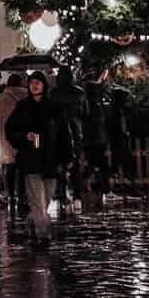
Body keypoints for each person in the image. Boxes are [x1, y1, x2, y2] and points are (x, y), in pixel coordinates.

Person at [6, 71, 73, 247]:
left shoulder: (54, 108)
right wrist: (23, 137)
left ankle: (33, 221)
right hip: (30, 160)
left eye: (38, 82)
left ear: (44, 85)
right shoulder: (22, 107)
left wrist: (67, 157)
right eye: (32, 82)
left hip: (50, 160)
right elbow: (10, 130)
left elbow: (64, 134)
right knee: (37, 198)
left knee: (46, 197)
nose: (35, 85)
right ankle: (43, 235)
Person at [51, 66, 88, 209]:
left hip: (58, 130)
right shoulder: (79, 92)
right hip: (75, 128)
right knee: (76, 162)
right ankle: (77, 193)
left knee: (60, 162)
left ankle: (61, 193)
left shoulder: (54, 92)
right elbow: (84, 112)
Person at [0, 71, 28, 213]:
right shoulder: (27, 95)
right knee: (22, 169)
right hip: (24, 137)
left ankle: (10, 195)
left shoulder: (0, 98)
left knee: (10, 168)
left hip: (5, 137)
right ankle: (21, 196)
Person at [106, 85, 137, 195]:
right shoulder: (114, 112)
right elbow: (113, 127)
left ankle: (124, 187)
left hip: (121, 139)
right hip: (118, 140)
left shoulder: (119, 111)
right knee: (124, 164)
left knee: (122, 164)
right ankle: (126, 188)